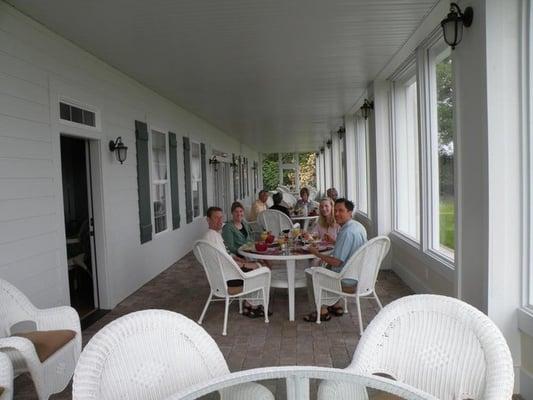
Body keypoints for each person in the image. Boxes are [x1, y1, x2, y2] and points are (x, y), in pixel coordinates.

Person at [303, 198, 367, 322]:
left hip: (347, 279)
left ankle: (321, 311)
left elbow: (336, 262)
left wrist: (316, 253)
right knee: (323, 267)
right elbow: (349, 247)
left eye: (341, 211)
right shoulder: (357, 226)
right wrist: (334, 241)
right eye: (336, 210)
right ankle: (333, 304)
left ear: (350, 212)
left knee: (312, 272)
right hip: (360, 274)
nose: (337, 214)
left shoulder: (346, 232)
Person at [201, 206, 268, 318]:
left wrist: (239, 259)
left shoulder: (212, 236)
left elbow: (225, 255)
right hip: (229, 279)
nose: (220, 221)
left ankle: (250, 303)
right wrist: (244, 264)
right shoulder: (212, 238)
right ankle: (251, 305)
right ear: (208, 220)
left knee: (257, 265)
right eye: (216, 218)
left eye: (221, 218)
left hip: (221, 277)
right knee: (263, 270)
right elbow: (224, 262)